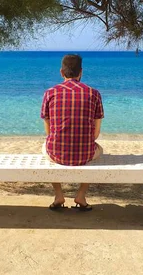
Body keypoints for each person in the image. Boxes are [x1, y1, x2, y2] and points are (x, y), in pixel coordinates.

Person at [40, 54, 104, 212]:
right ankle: (81, 195)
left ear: (62, 72)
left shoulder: (50, 93)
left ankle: (58, 195)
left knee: (46, 147)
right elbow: (95, 134)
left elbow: (48, 133)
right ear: (81, 72)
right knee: (99, 150)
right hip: (85, 154)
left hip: (57, 153)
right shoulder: (93, 93)